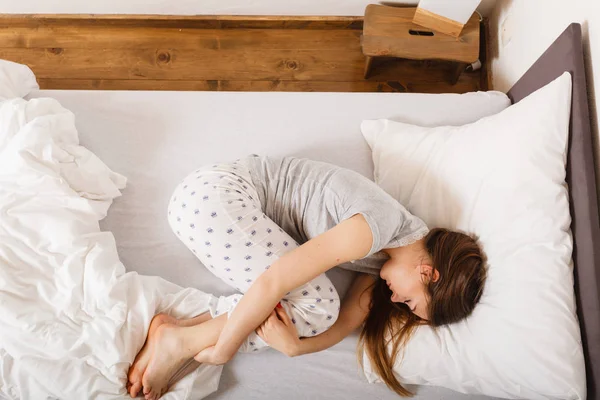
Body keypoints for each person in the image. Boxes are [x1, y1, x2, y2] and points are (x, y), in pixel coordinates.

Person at [126, 154, 486, 400]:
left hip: (209, 204)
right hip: (211, 199)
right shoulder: (377, 228)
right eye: (410, 300)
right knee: (316, 304)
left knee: (317, 312)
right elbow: (274, 281)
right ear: (427, 271)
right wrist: (223, 350)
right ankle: (179, 340)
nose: (395, 301)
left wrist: (296, 348)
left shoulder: (382, 260)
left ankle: (181, 335)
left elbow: (343, 325)